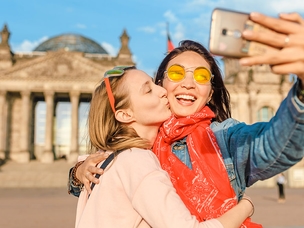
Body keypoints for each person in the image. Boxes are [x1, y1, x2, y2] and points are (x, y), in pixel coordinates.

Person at [70, 12, 304, 227]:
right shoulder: (137, 141)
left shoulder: (224, 138)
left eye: (201, 76)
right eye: (176, 73)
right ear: (161, 85)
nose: (188, 83)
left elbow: (275, 145)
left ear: (210, 93)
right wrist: (78, 172)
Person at [74, 65, 254, 228]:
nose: (161, 91)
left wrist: (76, 172)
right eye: (148, 90)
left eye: (154, 84)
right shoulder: (136, 160)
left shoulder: (102, 161)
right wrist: (246, 206)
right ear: (125, 115)